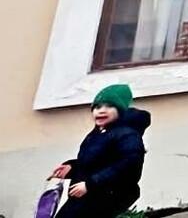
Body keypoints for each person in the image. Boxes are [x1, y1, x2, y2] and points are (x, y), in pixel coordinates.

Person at [49, 84, 150, 218]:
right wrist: (71, 167)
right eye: (97, 107)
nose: (101, 111)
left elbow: (127, 166)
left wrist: (91, 185)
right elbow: (95, 162)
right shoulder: (99, 133)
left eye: (109, 106)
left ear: (120, 111)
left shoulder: (127, 135)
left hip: (109, 194)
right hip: (89, 192)